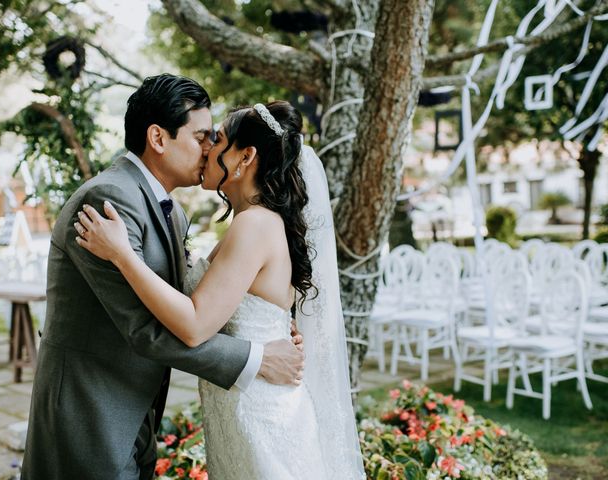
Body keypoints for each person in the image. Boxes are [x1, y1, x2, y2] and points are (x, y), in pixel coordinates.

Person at [21, 75, 305, 480]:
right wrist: (257, 357)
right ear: (158, 138)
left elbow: (193, 302)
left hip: (134, 408)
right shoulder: (108, 201)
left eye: (215, 139)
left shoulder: (174, 211)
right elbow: (145, 329)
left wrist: (269, 326)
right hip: (90, 410)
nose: (209, 149)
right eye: (202, 136)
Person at [75, 100, 366, 478]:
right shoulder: (255, 221)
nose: (209, 147)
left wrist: (122, 255)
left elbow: (196, 324)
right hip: (245, 405)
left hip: (260, 414)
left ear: (246, 157)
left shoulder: (255, 225)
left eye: (219, 138)